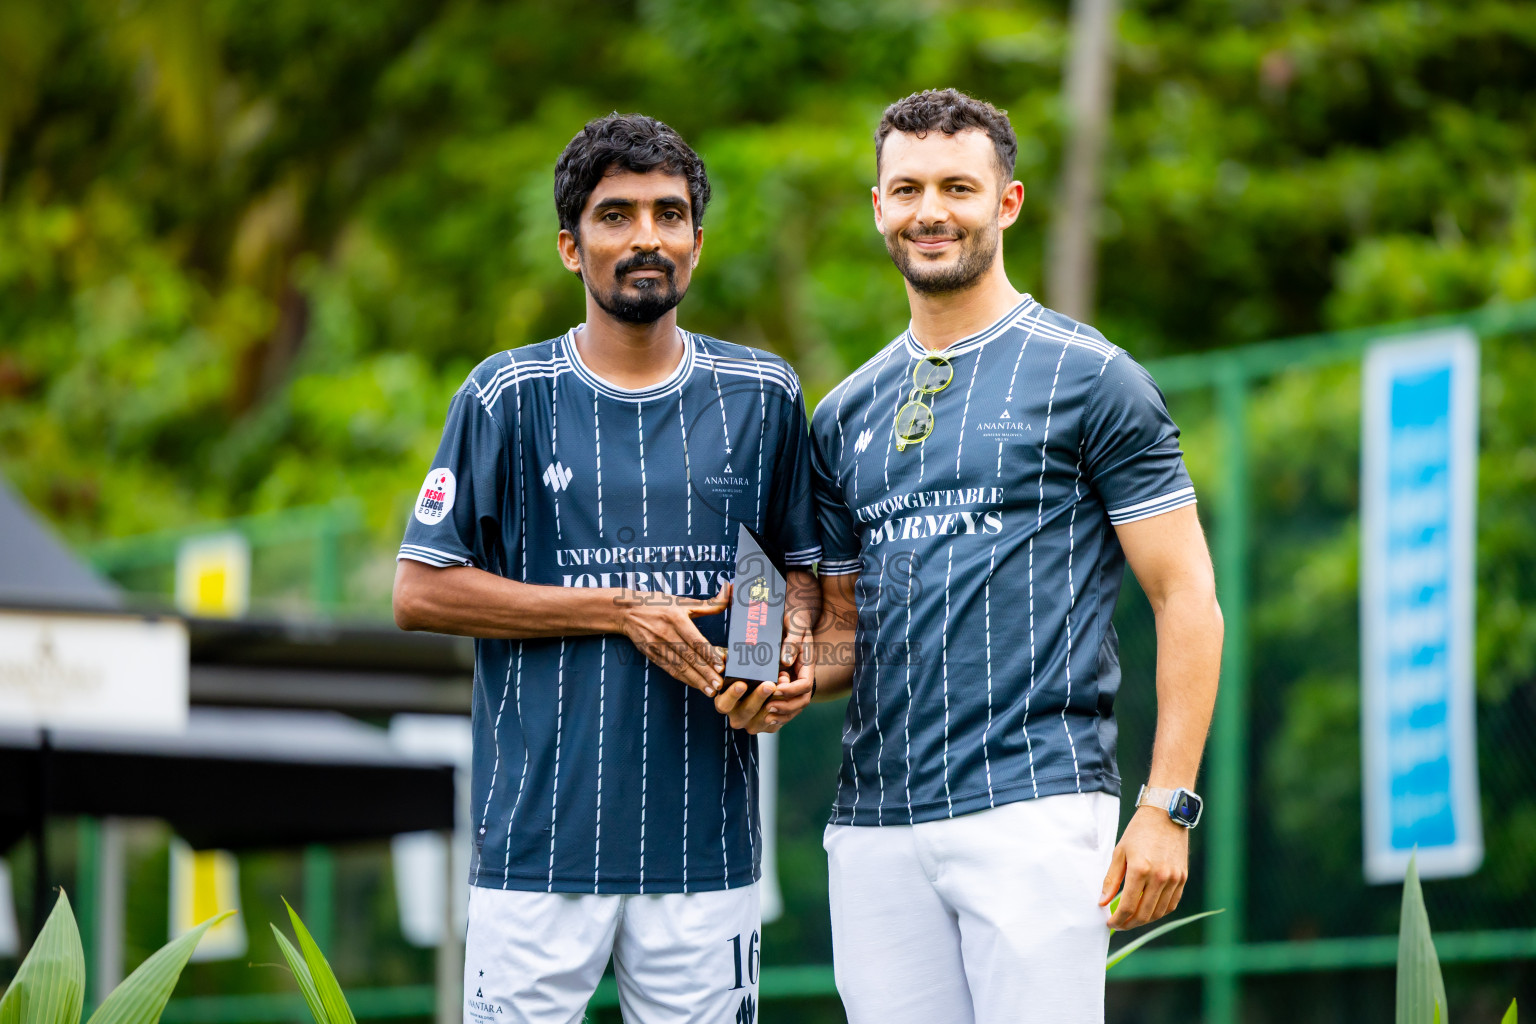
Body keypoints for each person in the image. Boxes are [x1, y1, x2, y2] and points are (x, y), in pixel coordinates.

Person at [802, 89, 1224, 1024]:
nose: (931, 212)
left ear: (1009, 202)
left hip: (1034, 806)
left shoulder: (1094, 377)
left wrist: (1168, 806)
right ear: (878, 207)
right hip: (874, 829)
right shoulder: (841, 414)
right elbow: (840, 637)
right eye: (906, 189)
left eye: (958, 186)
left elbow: (1186, 595)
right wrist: (765, 674)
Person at [392, 112, 821, 1024]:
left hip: (705, 851)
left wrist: (781, 662)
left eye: (669, 214)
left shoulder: (764, 394)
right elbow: (420, 591)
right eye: (616, 215)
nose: (646, 238)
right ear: (569, 245)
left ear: (697, 246)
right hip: (536, 850)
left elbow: (794, 579)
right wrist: (618, 609)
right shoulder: (505, 396)